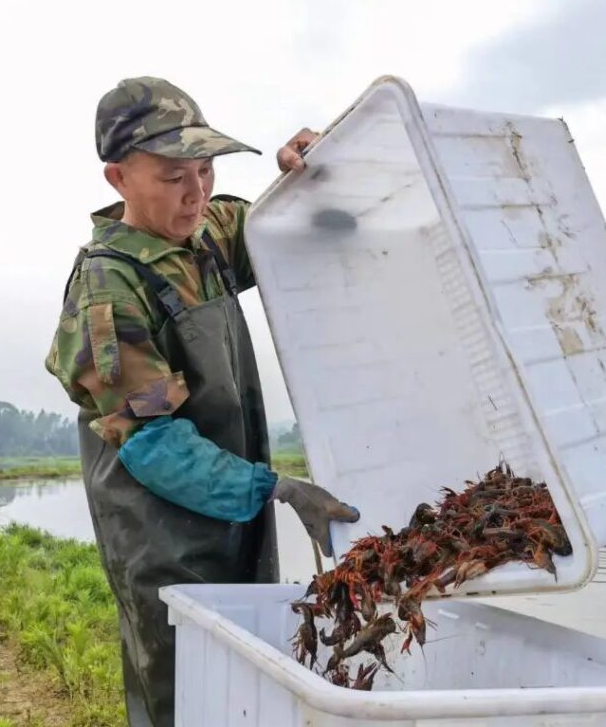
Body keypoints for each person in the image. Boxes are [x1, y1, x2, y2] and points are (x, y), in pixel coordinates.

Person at [45, 76, 360, 727]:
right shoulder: (111, 289)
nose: (196, 193)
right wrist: (279, 488)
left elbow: (307, 230)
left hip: (236, 521)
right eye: (172, 177)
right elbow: (156, 445)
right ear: (118, 178)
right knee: (187, 705)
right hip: (167, 548)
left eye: (206, 169)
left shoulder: (208, 236)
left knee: (251, 700)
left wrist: (315, 173)